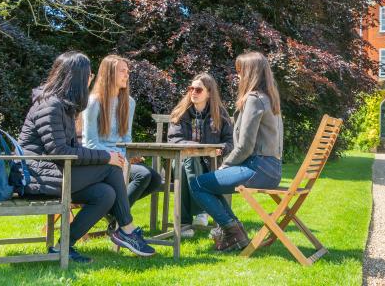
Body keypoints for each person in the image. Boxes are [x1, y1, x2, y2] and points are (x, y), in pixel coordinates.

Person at [17, 51, 155, 263]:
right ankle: (127, 228)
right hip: (35, 176)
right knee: (112, 167)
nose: (91, 79)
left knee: (105, 194)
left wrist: (105, 157)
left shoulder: (63, 106)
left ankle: (64, 246)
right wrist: (105, 157)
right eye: (89, 75)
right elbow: (60, 152)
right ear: (76, 78)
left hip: (53, 172)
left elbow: (70, 150)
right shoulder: (50, 105)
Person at [190, 52, 284, 251]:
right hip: (272, 170)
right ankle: (234, 232)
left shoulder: (254, 99)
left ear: (251, 73)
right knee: (210, 184)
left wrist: (226, 165)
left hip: (257, 168)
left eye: (240, 71)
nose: (238, 76)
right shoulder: (269, 98)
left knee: (198, 184)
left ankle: (234, 233)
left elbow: (244, 146)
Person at [81, 55, 162, 234]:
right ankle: (121, 221)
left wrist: (130, 154)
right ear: (109, 74)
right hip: (100, 160)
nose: (127, 75)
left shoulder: (129, 102)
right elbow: (90, 142)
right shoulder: (94, 102)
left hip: (120, 158)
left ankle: (113, 216)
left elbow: (126, 138)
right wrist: (115, 156)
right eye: (122, 71)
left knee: (155, 179)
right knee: (143, 175)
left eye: (128, 71)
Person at [167, 73, 234, 238]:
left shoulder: (220, 113)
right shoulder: (181, 112)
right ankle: (202, 210)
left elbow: (230, 141)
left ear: (209, 93)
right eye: (191, 88)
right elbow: (174, 140)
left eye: (198, 89)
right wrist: (194, 148)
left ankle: (184, 223)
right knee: (186, 161)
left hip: (211, 165)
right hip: (181, 160)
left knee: (186, 165)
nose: (193, 92)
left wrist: (222, 149)